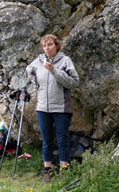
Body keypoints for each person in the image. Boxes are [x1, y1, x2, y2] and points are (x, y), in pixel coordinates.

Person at [26, 34, 80, 183]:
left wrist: (54, 71)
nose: (47, 48)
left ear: (56, 46)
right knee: (47, 141)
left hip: (61, 108)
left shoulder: (65, 61)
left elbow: (74, 82)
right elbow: (29, 70)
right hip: (43, 108)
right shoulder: (38, 61)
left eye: (50, 45)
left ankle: (64, 171)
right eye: (44, 46)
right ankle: (47, 171)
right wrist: (35, 81)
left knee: (63, 140)